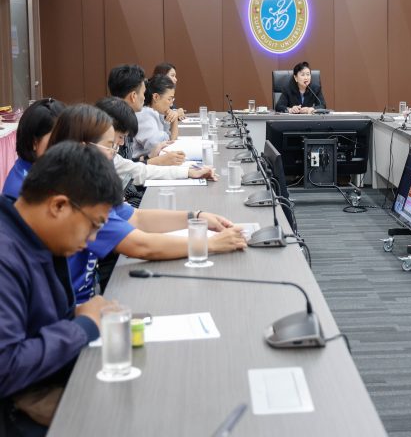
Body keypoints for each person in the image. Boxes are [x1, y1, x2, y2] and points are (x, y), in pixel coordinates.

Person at [4, 104, 247, 304]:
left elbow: (135, 218)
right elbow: (141, 245)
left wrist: (196, 216)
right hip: (79, 308)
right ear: (83, 146)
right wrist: (209, 244)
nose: (115, 152)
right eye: (111, 145)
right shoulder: (73, 195)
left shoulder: (82, 183)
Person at [0, 142, 122, 433]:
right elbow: (5, 366)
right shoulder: (6, 256)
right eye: (93, 225)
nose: (92, 239)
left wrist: (77, 316)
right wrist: (83, 325)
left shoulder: (35, 238)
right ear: (58, 205)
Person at [95, 97, 216, 188]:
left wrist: (188, 172)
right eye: (120, 137)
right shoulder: (144, 115)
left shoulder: (109, 154)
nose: (121, 143)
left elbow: (139, 170)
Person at [107, 64, 184, 166]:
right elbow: (122, 170)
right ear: (134, 96)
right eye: (143, 93)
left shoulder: (124, 118)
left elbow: (128, 163)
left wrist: (148, 157)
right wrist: (156, 161)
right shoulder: (112, 125)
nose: (145, 98)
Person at [2, 98, 66, 200]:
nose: (66, 147)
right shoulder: (24, 193)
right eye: (57, 140)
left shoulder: (45, 170)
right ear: (34, 142)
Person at [134, 75, 179, 160]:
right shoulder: (144, 115)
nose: (171, 104)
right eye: (169, 99)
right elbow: (164, 149)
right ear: (156, 97)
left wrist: (174, 119)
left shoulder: (156, 113)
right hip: (141, 166)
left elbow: (172, 140)